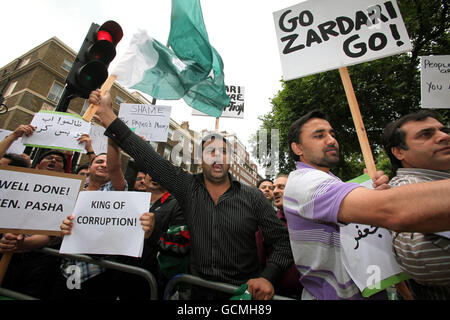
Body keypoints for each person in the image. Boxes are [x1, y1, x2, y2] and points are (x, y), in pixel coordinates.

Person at [88, 89, 294, 300]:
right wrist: (110, 118)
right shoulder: (188, 188)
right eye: (210, 151)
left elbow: (282, 243)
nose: (217, 157)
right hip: (196, 295)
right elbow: (151, 159)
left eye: (223, 152)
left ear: (230, 160)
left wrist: (268, 277)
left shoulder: (253, 197)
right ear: (200, 158)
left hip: (242, 296)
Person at [283, 110, 450, 300]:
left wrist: (372, 193)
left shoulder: (331, 180)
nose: (331, 140)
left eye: (332, 134)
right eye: (319, 135)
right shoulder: (306, 182)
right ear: (298, 148)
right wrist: (382, 200)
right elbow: (392, 210)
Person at [383, 110, 450, 300]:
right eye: (426, 134)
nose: (444, 136)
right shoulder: (403, 191)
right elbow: (425, 262)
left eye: (444, 130)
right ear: (399, 151)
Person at [54, 137, 127, 300]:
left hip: (97, 271)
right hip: (65, 265)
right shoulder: (73, 192)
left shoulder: (115, 191)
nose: (103, 165)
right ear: (89, 167)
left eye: (107, 163)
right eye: (98, 162)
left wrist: (113, 138)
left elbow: (114, 168)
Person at [0, 148, 68, 299]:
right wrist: (8, 237)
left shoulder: (66, 195)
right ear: (37, 165)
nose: (53, 161)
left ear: (63, 171)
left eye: (58, 160)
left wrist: (23, 244)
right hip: (7, 251)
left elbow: (52, 234)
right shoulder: (17, 186)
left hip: (40, 261)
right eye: (49, 158)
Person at [116, 172, 190, 300]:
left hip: (151, 281)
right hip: (121, 273)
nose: (156, 176)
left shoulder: (177, 205)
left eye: (160, 172)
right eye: (151, 172)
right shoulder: (132, 201)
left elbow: (182, 244)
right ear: (144, 178)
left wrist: (153, 234)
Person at [256, 173, 302, 299]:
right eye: (274, 187)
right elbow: (259, 259)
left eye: (280, 187)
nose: (274, 191)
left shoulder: (310, 220)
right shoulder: (268, 225)